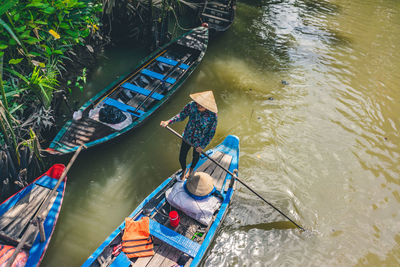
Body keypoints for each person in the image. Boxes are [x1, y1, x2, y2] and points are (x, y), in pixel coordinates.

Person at [160, 91, 218, 180]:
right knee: (181, 157)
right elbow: (181, 115)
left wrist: (202, 146)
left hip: (199, 141)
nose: (198, 105)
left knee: (195, 156)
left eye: (201, 105)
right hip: (188, 136)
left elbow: (211, 133)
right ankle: (184, 169)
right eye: (198, 103)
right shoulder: (192, 105)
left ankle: (191, 169)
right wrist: (168, 121)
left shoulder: (213, 115)